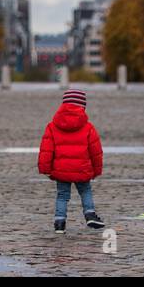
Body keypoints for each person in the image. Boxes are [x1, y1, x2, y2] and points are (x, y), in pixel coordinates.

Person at [37, 89, 105, 234]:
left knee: (62, 195)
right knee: (85, 191)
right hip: (82, 168)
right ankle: (90, 214)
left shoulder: (52, 126)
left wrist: (46, 169)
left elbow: (46, 149)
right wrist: (96, 170)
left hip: (61, 169)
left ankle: (59, 222)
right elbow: (96, 151)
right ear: (83, 106)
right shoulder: (88, 127)